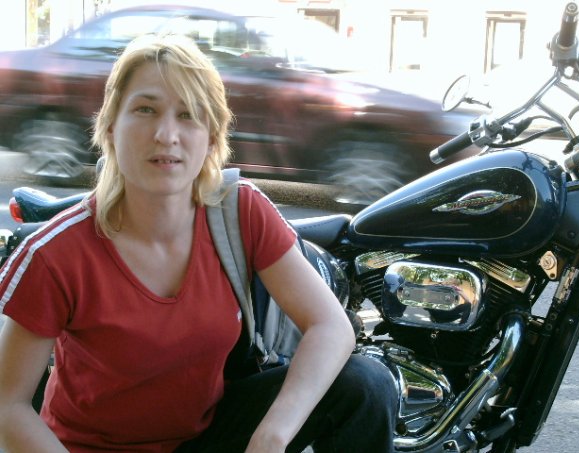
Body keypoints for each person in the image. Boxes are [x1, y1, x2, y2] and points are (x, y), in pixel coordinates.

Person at [0, 33, 397, 452]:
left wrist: (273, 435)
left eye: (188, 114)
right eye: (146, 109)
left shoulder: (239, 211)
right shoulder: (56, 253)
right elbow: (8, 405)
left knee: (365, 384)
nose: (166, 134)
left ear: (211, 137)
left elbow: (331, 327)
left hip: (205, 437)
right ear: (111, 126)